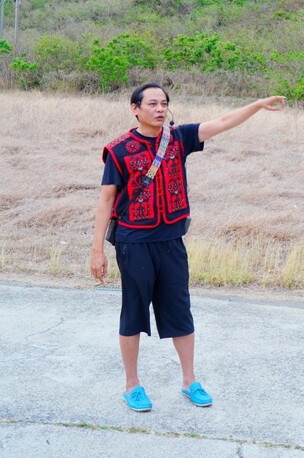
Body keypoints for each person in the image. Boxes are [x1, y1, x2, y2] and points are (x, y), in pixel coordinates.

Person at [90, 82, 286, 412]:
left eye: (164, 103)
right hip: (134, 243)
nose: (160, 108)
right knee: (133, 313)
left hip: (171, 242)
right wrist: (97, 250)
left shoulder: (178, 138)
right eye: (152, 103)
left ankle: (189, 381)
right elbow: (106, 200)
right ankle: (132, 385)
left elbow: (222, 123)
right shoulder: (119, 150)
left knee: (180, 310)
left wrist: (255, 104)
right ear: (134, 109)